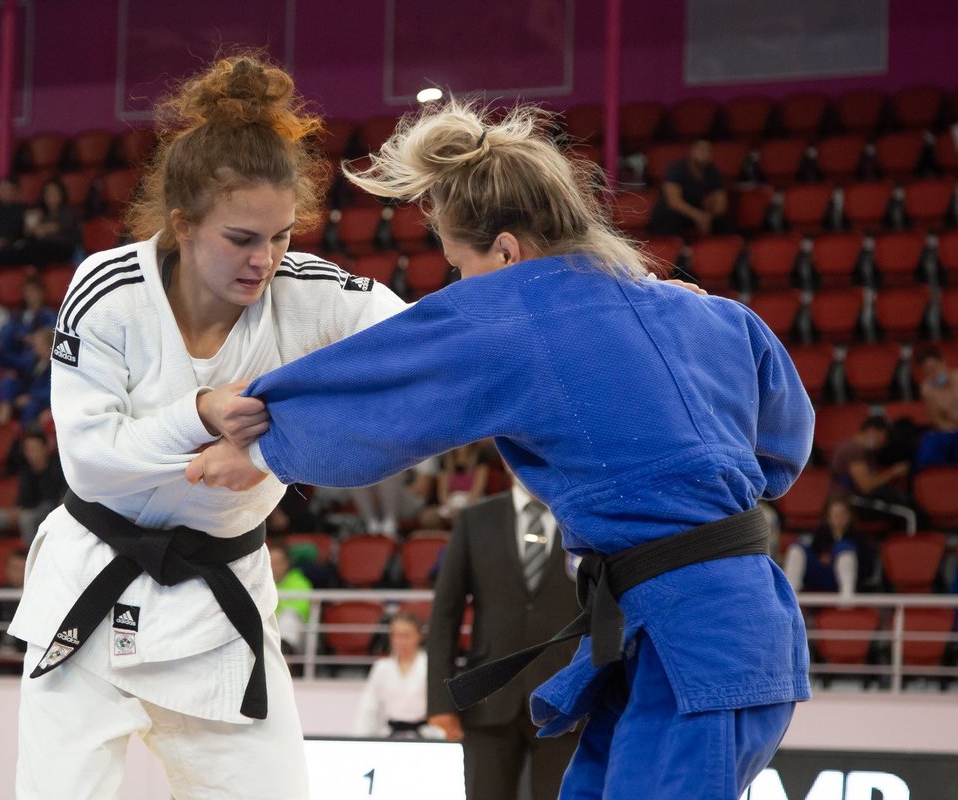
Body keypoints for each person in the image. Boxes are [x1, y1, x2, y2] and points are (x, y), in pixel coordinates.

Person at [188, 99, 815, 800]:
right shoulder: (714, 314)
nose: (459, 287)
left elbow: (392, 380)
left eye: (460, 267)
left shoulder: (517, 310)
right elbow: (782, 454)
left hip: (696, 643)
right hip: (698, 625)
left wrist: (263, 438)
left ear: (509, 253)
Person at [5, 54, 407, 799]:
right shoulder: (109, 289)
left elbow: (430, 365)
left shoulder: (313, 296)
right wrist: (200, 413)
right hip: (88, 584)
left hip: (220, 601)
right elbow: (89, 461)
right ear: (183, 226)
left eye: (281, 236)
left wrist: (275, 451)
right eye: (242, 238)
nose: (266, 260)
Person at [425, 480, 579, 800]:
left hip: (566, 696)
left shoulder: (580, 514)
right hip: (488, 695)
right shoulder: (475, 519)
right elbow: (446, 614)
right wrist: (440, 700)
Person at [352, 611, 441, 739]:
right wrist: (360, 738)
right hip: (390, 735)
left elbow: (439, 708)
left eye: (406, 635)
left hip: (426, 736)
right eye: (396, 635)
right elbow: (369, 706)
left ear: (419, 636)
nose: (400, 641)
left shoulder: (430, 666)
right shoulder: (382, 667)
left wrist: (443, 739)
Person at [0, 431, 65, 545]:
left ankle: (31, 555)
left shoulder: (58, 467)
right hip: (24, 510)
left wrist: (23, 510)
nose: (31, 453)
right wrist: (17, 509)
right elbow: (23, 498)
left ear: (45, 448)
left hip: (48, 511)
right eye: (28, 450)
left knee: (26, 518)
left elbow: (52, 500)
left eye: (34, 449)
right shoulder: (26, 470)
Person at [783, 497, 872, 598]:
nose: (838, 518)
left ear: (849, 516)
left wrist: (836, 556)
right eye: (834, 514)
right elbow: (815, 552)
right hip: (819, 576)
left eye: (842, 514)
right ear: (828, 517)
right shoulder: (820, 533)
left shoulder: (858, 538)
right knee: (796, 550)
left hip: (840, 580)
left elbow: (865, 567)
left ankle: (847, 597)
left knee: (844, 549)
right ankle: (791, 595)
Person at [647, 138, 732, 238]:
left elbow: (721, 204)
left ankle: (721, 245)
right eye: (701, 149)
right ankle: (674, 245)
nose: (704, 153)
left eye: (708, 150)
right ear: (691, 151)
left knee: (724, 219)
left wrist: (709, 216)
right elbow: (674, 202)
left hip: (699, 212)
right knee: (668, 214)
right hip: (682, 212)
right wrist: (698, 216)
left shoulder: (713, 172)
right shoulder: (677, 168)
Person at [915, 346, 958, 467]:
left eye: (934, 368)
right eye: (927, 371)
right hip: (954, 432)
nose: (933, 374)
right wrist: (954, 431)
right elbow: (938, 420)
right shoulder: (927, 390)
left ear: (943, 362)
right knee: (928, 443)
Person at [829, 416, 910, 503]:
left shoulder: (868, 451)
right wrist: (893, 472)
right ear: (872, 431)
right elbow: (866, 487)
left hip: (858, 498)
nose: (885, 442)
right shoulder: (853, 450)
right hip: (846, 501)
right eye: (885, 436)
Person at [0, 278, 57, 372]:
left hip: (34, 351)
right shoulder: (17, 314)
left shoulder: (48, 314)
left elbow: (52, 335)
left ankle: (5, 362)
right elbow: (9, 332)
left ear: (41, 293)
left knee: (26, 359)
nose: (29, 294)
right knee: (9, 328)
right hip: (16, 346)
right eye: (27, 291)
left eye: (33, 291)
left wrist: (33, 338)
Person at [0, 327, 53, 427]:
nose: (35, 346)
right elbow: (16, 363)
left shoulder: (55, 367)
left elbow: (50, 391)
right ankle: (2, 420)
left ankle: (22, 432)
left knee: (31, 407)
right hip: (27, 390)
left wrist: (31, 396)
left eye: (39, 344)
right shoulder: (33, 359)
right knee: (8, 382)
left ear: (49, 346)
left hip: (40, 400)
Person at [23, 178, 82, 266]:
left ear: (61, 194)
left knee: (36, 249)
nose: (50, 195)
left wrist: (39, 228)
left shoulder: (68, 211)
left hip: (63, 247)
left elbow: (56, 227)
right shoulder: (41, 212)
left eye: (54, 192)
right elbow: (28, 231)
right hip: (43, 247)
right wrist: (33, 217)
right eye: (47, 192)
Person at [269, 541, 312, 656]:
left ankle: (284, 652)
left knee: (289, 616)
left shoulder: (300, 582)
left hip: (299, 636)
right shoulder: (259, 583)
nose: (273, 566)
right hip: (268, 632)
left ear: (286, 564)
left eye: (277, 562)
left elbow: (300, 609)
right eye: (270, 562)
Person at [436, 442, 491, 523]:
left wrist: (464, 507)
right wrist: (450, 506)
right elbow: (443, 492)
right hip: (453, 501)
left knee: (466, 515)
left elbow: (478, 490)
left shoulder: (480, 457)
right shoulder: (446, 460)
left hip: (474, 500)